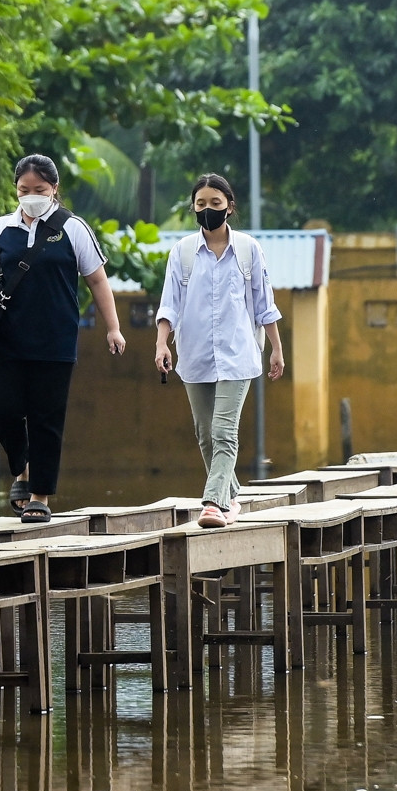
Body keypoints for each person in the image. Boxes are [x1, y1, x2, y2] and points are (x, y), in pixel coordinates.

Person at [0, 155, 126, 523]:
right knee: (2, 408)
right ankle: (23, 467)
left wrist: (113, 327)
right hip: (7, 338)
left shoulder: (73, 228)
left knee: (47, 418)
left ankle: (40, 496)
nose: (31, 196)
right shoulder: (2, 228)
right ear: (15, 190)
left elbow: (97, 280)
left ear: (54, 190)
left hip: (55, 340)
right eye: (23, 190)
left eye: (39, 190)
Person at [151, 174, 284, 527]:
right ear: (193, 208)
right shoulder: (181, 252)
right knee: (204, 433)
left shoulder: (248, 249)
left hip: (239, 356)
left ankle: (213, 503)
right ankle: (232, 496)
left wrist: (276, 349)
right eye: (200, 204)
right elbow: (170, 306)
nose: (207, 210)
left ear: (229, 206)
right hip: (194, 355)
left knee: (224, 431)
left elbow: (263, 304)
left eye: (214, 203)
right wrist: (162, 343)